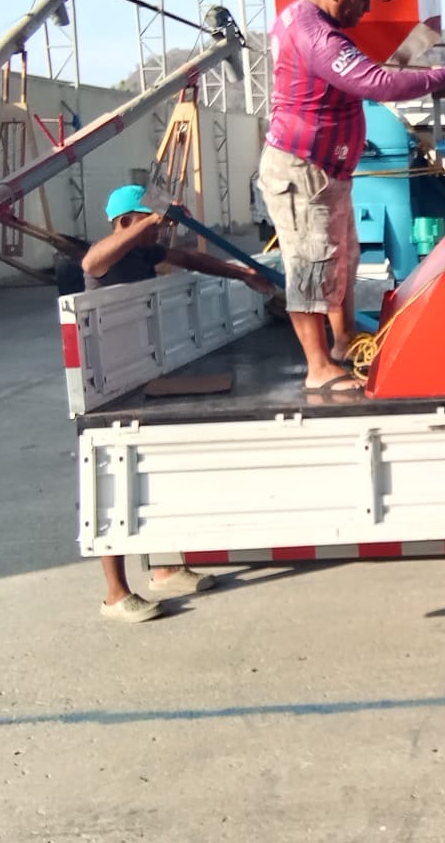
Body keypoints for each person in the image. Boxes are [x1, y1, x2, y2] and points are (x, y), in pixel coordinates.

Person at [259, 0, 445, 393]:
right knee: (311, 266)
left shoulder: (306, 22)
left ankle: (343, 340)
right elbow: (376, 83)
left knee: (340, 259)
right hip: (303, 171)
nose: (366, 8)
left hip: (327, 171)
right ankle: (318, 368)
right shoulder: (316, 33)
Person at [81, 184, 276, 623]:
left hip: (139, 370)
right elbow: (91, 262)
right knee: (111, 489)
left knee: (150, 475)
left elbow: (192, 260)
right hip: (105, 385)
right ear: (125, 221)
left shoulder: (143, 254)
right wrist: (153, 219)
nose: (159, 235)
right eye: (150, 226)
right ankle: (115, 594)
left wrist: (243, 274)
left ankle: (164, 568)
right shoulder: (107, 256)